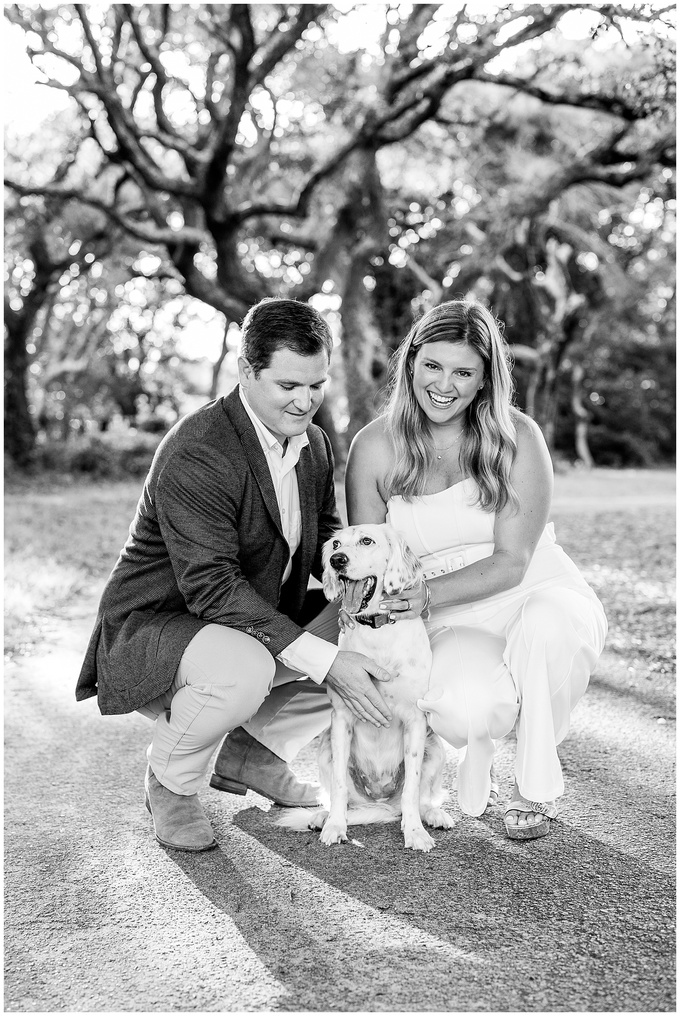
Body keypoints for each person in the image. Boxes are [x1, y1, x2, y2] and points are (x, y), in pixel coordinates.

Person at [76, 297, 393, 853]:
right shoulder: (199, 450)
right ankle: (171, 782)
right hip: (163, 626)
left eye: (316, 385)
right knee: (248, 668)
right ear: (248, 371)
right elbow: (212, 587)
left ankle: (251, 751)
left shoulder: (312, 442)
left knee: (371, 629)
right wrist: (323, 658)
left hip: (245, 615)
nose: (305, 401)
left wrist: (361, 598)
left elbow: (323, 534)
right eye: (289, 385)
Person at [345, 299, 607, 840]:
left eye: (464, 372)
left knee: (548, 628)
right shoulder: (374, 446)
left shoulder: (517, 436)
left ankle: (534, 789)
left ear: (485, 380)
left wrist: (422, 594)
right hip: (444, 614)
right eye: (433, 366)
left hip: (532, 589)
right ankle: (477, 756)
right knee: (465, 711)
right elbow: (366, 563)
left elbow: (513, 561)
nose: (445, 385)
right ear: (410, 363)